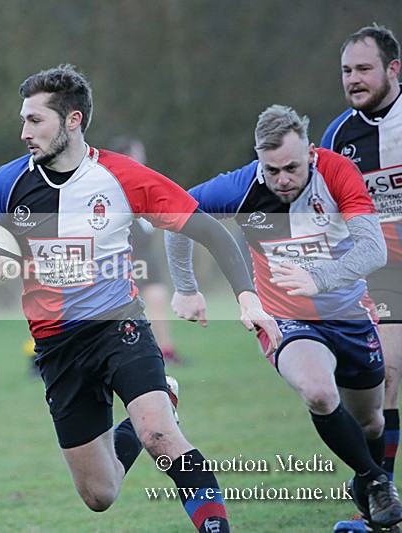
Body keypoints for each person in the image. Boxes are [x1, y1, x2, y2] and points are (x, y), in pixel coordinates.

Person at [0, 64, 281, 533]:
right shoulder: (7, 184)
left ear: (73, 120)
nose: (24, 132)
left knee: (161, 434)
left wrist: (247, 298)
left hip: (118, 326)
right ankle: (158, 406)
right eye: (23, 120)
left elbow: (208, 229)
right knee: (100, 495)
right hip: (55, 346)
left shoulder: (123, 177)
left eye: (35, 120)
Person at [165, 104, 402, 530]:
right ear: (259, 158)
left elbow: (374, 250)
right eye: (271, 170)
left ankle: (367, 477)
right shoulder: (239, 187)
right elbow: (177, 215)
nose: (282, 180)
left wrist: (320, 277)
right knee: (318, 392)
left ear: (310, 153)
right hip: (285, 320)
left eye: (292, 168)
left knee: (371, 420)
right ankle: (374, 478)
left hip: (350, 315)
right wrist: (186, 288)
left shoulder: (338, 173)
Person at [320, 23, 402, 533]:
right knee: (385, 376)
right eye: (347, 70)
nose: (353, 78)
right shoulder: (337, 137)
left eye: (364, 69)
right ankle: (382, 506)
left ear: (394, 70)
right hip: (386, 272)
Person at [110, 136, 185, 365]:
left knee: (158, 300)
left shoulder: (145, 185)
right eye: (136, 155)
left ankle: (166, 352)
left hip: (147, 256)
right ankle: (128, 355)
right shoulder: (111, 189)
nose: (142, 160)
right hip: (125, 260)